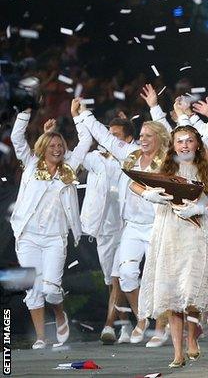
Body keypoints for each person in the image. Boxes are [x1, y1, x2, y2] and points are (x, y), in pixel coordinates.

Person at [76, 86, 171, 347]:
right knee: (126, 274)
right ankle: (142, 319)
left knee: (157, 277)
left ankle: (161, 328)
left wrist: (155, 107)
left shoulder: (166, 161)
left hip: (157, 226)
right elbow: (104, 138)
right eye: (141, 135)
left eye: (149, 136)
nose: (143, 139)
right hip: (131, 226)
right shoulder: (130, 156)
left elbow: (174, 135)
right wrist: (83, 116)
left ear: (160, 139)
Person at [134, 125, 208, 367]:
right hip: (169, 233)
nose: (185, 145)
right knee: (172, 293)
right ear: (173, 145)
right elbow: (134, 183)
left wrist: (200, 208)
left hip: (195, 234)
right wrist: (149, 195)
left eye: (189, 141)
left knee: (190, 293)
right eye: (180, 141)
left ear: (196, 144)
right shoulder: (165, 169)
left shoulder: (204, 171)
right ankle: (178, 352)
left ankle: (192, 339)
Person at [10, 104, 87, 349]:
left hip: (55, 237)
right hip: (28, 236)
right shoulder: (31, 165)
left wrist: (77, 116)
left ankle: (60, 313)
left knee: (52, 287)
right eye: (52, 146)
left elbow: (86, 139)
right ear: (43, 149)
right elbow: (16, 138)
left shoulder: (70, 168)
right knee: (33, 289)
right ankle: (41, 337)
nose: (57, 149)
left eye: (60, 145)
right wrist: (25, 112)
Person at [78, 113, 134, 345]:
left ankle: (109, 325)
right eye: (108, 134)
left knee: (118, 277)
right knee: (112, 280)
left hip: (127, 226)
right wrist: (78, 123)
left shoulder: (132, 157)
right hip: (103, 229)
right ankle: (127, 325)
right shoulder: (95, 158)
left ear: (129, 139)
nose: (110, 139)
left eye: (116, 136)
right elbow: (75, 158)